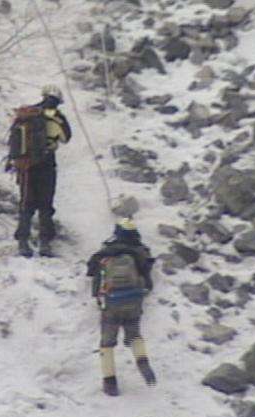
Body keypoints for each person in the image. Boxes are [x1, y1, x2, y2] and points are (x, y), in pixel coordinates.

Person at [86, 219, 157, 396]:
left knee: (107, 343)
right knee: (134, 333)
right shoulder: (139, 252)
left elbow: (90, 270)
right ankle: (142, 360)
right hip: (133, 301)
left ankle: (110, 381)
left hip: (111, 303)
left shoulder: (106, 252)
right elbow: (148, 280)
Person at [12, 85, 72, 257]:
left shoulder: (27, 114)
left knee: (26, 202)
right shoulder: (57, 117)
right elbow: (65, 138)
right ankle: (45, 242)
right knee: (45, 203)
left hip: (26, 164)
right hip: (47, 162)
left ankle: (23, 241)